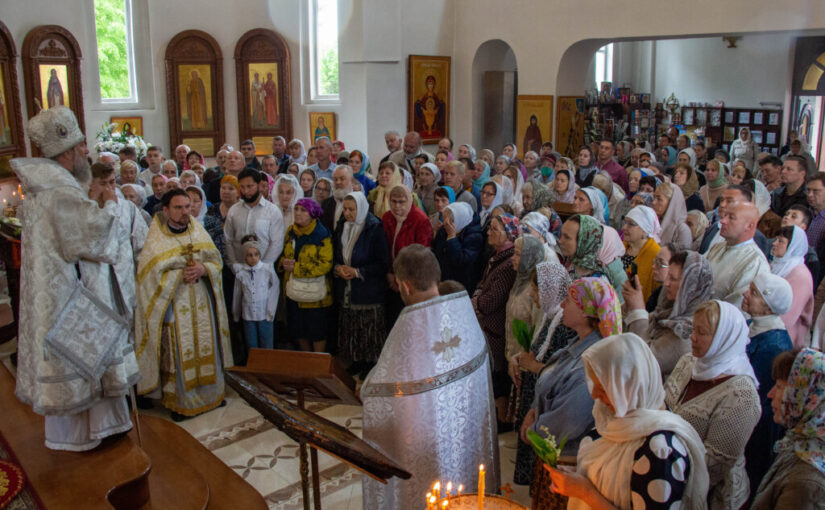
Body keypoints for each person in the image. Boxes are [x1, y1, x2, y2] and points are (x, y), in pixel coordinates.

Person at [11, 106, 139, 451]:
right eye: (82, 145)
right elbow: (98, 239)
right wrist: (111, 205)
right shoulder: (59, 193)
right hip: (74, 300)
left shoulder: (41, 191)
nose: (86, 151)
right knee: (87, 368)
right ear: (67, 151)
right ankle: (97, 436)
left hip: (57, 301)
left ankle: (79, 438)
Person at [361, 245, 499, 509]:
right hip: (466, 436)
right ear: (436, 277)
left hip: (425, 442)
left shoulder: (410, 327)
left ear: (405, 286)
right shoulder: (463, 313)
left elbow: (376, 391)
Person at [545, 333, 709, 510]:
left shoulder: (661, 451)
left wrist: (585, 492)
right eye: (594, 386)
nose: (594, 395)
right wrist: (582, 475)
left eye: (604, 388)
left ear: (631, 386)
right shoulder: (614, 419)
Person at [135, 189, 233, 421]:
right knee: (179, 348)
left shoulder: (197, 230)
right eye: (178, 208)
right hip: (173, 303)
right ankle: (182, 403)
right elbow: (147, 277)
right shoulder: (156, 237)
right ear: (166, 210)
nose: (184, 212)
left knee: (207, 342)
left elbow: (216, 260)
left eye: (187, 207)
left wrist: (203, 268)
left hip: (201, 298)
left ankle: (212, 397)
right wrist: (177, 275)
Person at [520, 277, 622, 482]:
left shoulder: (593, 362)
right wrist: (533, 409)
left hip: (568, 464)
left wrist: (533, 429)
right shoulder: (577, 343)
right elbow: (549, 379)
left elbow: (569, 419)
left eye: (568, 300)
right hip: (554, 454)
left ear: (586, 311)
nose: (562, 304)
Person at [664, 300, 761, 509]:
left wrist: (665, 468)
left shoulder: (741, 395)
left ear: (724, 339)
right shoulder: (688, 362)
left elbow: (714, 468)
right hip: (667, 470)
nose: (692, 337)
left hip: (710, 495)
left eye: (702, 332)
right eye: (693, 328)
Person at [510, 262, 577, 486]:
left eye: (536, 289)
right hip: (535, 393)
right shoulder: (549, 315)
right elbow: (537, 351)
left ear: (549, 289)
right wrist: (518, 359)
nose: (532, 294)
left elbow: (564, 369)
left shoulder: (566, 323)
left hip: (548, 401)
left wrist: (533, 367)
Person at [741, 274, 794, 500]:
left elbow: (759, 395)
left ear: (768, 306)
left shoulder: (774, 346)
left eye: (753, 293)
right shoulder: (755, 325)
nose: (745, 293)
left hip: (758, 425)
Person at [751, 349, 825, 509]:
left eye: (778, 386)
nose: (770, 394)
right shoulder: (800, 443)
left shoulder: (805, 483)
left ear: (806, 398)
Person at [624, 250, 714, 377]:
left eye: (673, 279)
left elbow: (642, 362)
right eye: (668, 276)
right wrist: (630, 304)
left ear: (691, 287)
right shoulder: (669, 310)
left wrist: (637, 309)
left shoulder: (687, 332)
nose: (666, 283)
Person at [332, 192, 390, 377]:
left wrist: (357, 272)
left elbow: (382, 263)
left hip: (367, 289)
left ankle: (370, 364)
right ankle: (356, 361)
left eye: (352, 209)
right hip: (347, 287)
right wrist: (338, 268)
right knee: (352, 326)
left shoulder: (374, 227)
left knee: (368, 329)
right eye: (345, 209)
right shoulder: (342, 225)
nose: (347, 213)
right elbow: (335, 252)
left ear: (361, 208)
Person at [472, 214, 519, 424]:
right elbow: (481, 286)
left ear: (508, 234)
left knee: (497, 378)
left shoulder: (508, 264)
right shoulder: (497, 257)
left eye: (494, 229)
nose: (489, 233)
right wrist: (477, 298)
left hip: (496, 330)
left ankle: (500, 420)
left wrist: (475, 303)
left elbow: (491, 300)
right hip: (487, 325)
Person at [279, 198, 333, 352]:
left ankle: (318, 361)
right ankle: (306, 358)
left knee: (316, 331)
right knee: (298, 329)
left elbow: (325, 264)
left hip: (314, 294)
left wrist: (297, 268)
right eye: (296, 209)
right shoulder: (291, 231)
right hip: (293, 290)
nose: (298, 213)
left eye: (303, 210)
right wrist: (283, 262)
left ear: (312, 213)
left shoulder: (322, 234)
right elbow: (283, 253)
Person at [382, 185, 433, 326]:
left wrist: (402, 278)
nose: (397, 206)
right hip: (390, 278)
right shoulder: (387, 218)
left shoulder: (420, 220)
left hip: (410, 280)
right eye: (393, 201)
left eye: (401, 201)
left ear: (409, 200)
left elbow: (421, 255)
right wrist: (390, 273)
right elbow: (383, 248)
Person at [706, 202, 770, 306]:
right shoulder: (717, 247)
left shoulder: (754, 262)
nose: (723, 221)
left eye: (731, 218)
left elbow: (736, 306)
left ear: (749, 226)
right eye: (725, 215)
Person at [504, 235, 547, 362]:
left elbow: (537, 330)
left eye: (517, 254)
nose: (513, 258)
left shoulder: (536, 290)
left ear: (529, 257)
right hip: (512, 356)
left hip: (523, 362)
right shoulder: (519, 281)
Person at [231, 238, 279, 350]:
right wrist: (236, 313)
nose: (253, 258)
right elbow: (237, 294)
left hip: (264, 314)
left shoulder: (267, 270)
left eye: (256, 254)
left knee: (266, 344)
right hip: (248, 315)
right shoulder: (241, 273)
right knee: (251, 345)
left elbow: (275, 288)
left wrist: (271, 310)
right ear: (245, 256)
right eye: (249, 255)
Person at [771, 225, 814, 348]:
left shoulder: (800, 275)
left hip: (786, 338)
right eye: (776, 239)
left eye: (781, 241)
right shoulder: (777, 265)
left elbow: (787, 316)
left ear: (793, 247)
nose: (774, 243)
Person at [431, 201, 483, 293]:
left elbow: (461, 261)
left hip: (460, 285)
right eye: (445, 219)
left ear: (460, 219)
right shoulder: (444, 229)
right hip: (441, 279)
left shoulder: (475, 237)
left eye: (450, 220)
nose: (446, 223)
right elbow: (435, 251)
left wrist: (452, 238)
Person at [620, 205, 661, 302]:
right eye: (625, 222)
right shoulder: (620, 247)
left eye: (631, 224)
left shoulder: (656, 255)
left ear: (644, 230)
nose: (624, 227)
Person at [652, 181, 691, 250]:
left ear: (671, 203)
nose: (654, 202)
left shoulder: (682, 230)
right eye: (654, 197)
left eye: (659, 199)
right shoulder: (653, 222)